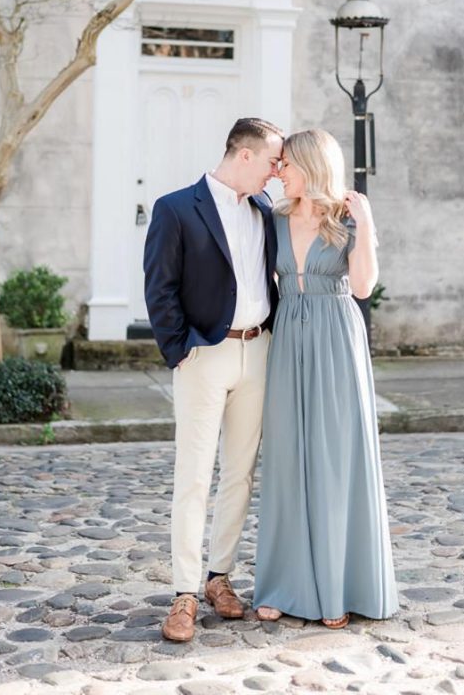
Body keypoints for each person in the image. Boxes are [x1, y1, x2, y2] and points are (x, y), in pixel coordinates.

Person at [144, 117, 284, 642]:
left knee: (240, 474)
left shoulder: (265, 209)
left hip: (258, 352)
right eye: (272, 161)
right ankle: (182, 591)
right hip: (205, 354)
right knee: (194, 475)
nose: (276, 172)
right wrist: (181, 351)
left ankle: (218, 577)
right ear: (243, 155)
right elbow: (160, 288)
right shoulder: (176, 208)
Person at [253, 128, 398, 628]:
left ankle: (339, 586)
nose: (279, 171)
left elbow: (361, 286)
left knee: (336, 460)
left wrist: (367, 222)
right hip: (289, 335)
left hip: (336, 335)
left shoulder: (345, 218)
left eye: (286, 164)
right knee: (289, 458)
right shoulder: (272, 217)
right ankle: (279, 585)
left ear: (312, 165)